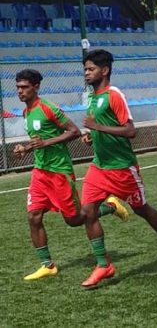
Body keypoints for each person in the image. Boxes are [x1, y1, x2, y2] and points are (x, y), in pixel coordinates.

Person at [80, 49, 157, 289]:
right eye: (85, 69)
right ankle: (104, 264)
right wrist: (91, 135)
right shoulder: (93, 98)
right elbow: (100, 127)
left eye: (90, 69)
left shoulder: (114, 95)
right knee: (87, 211)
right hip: (99, 166)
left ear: (104, 71)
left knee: (141, 209)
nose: (86, 73)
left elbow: (130, 130)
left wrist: (97, 127)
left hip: (123, 168)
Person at [14, 69, 84, 281]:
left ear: (36, 87)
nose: (20, 91)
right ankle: (47, 265)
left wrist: (46, 143)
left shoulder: (48, 108)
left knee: (74, 220)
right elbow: (39, 139)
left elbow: (74, 132)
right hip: (40, 172)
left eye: (24, 87)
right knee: (33, 216)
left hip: (59, 171)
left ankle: (109, 206)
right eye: (17, 87)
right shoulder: (26, 112)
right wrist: (25, 149)